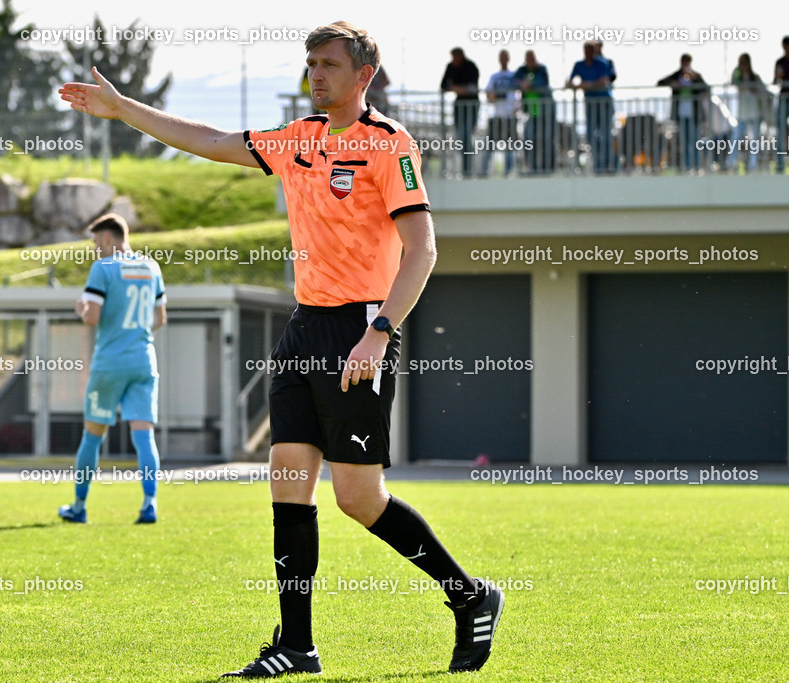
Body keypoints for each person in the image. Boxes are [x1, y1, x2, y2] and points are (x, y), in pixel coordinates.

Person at [59, 19, 504, 678]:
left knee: (357, 497)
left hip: (358, 327)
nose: (315, 73)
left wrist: (378, 332)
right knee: (288, 485)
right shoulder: (296, 140)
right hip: (305, 329)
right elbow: (209, 140)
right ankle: (297, 644)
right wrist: (124, 109)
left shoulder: (389, 145)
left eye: (327, 64)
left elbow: (422, 249)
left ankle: (470, 595)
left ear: (363, 76)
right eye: (310, 63)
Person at [58, 213, 167, 525]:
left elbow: (92, 317)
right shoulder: (151, 267)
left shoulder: (103, 268)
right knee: (144, 437)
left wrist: (81, 309)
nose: (94, 249)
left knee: (92, 436)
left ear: (108, 239)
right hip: (144, 361)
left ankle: (79, 507)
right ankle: (150, 504)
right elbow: (160, 319)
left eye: (95, 243)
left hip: (109, 363)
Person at [567, 41, 615, 173]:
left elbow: (604, 81)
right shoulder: (579, 64)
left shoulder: (602, 63)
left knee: (605, 134)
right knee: (591, 134)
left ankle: (606, 164)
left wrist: (586, 85)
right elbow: (570, 82)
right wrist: (583, 85)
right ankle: (596, 164)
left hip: (604, 102)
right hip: (590, 104)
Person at [657, 54, 709, 171]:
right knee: (684, 142)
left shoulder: (696, 76)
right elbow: (660, 82)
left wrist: (694, 80)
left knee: (695, 141)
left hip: (694, 116)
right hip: (681, 115)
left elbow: (706, 88)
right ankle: (686, 166)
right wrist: (674, 84)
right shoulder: (676, 76)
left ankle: (696, 166)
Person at [440, 47, 481, 178]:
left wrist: (455, 88)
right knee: (460, 136)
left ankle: (468, 168)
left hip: (471, 105)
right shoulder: (450, 67)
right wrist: (458, 89)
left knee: (466, 135)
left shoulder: (471, 67)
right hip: (459, 105)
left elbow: (471, 88)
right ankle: (465, 167)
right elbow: (443, 85)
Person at [514, 50, 555, 173]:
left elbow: (543, 83)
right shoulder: (522, 70)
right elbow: (514, 81)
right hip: (532, 112)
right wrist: (522, 83)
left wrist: (529, 84)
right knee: (529, 138)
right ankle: (532, 167)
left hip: (545, 111)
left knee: (546, 138)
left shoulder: (542, 69)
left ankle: (547, 167)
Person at [482, 49, 518, 176]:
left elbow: (519, 93)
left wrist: (516, 107)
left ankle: (508, 172)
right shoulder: (494, 76)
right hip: (497, 116)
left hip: (510, 116)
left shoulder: (514, 75)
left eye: (505, 57)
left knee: (510, 145)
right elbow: (488, 94)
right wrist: (493, 96)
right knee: (490, 144)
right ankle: (484, 171)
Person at [728, 53, 766, 172]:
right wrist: (737, 68)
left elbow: (762, 90)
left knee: (754, 139)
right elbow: (733, 80)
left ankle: (753, 164)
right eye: (741, 63)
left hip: (754, 112)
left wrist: (753, 89)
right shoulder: (738, 77)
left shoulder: (755, 77)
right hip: (742, 113)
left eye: (744, 63)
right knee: (736, 137)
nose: (742, 65)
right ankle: (731, 162)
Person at [774, 36, 789, 173]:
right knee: (781, 130)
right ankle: (780, 164)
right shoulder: (780, 62)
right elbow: (775, 80)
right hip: (784, 97)